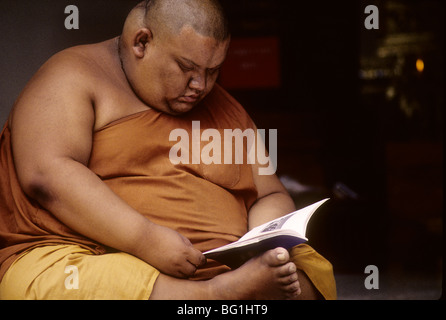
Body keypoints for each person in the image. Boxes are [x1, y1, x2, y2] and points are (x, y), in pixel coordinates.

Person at [0, 0, 336, 300]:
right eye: (186, 69)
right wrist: (145, 239)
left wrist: (260, 244)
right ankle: (211, 296)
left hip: (229, 263)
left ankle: (242, 287)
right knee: (71, 282)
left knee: (308, 268)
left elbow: (269, 193)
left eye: (213, 71)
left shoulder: (224, 106)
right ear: (142, 42)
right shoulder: (74, 74)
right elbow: (47, 174)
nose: (201, 86)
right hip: (95, 256)